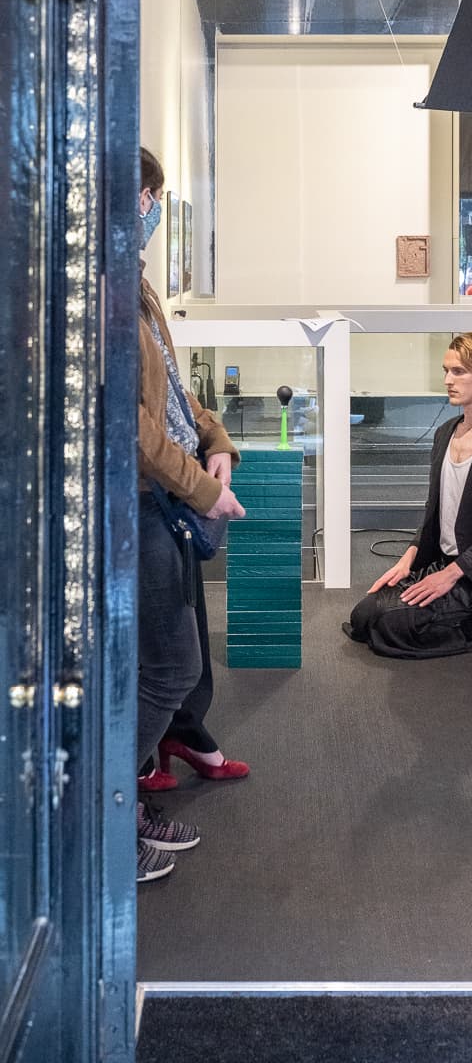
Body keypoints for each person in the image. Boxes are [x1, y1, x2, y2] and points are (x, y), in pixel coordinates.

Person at [136, 148, 247, 881]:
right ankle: (110, 820)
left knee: (173, 659)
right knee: (170, 663)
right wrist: (208, 492)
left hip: (164, 501)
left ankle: (132, 798)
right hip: (136, 506)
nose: (151, 213)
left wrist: (218, 443)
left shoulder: (137, 290)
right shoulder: (97, 290)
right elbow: (136, 431)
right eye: (150, 198)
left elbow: (176, 394)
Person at [344, 332, 472, 658]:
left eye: (459, 371)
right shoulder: (444, 434)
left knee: (392, 626)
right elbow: (435, 510)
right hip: (441, 561)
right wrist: (409, 558)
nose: (448, 380)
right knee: (364, 615)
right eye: (446, 370)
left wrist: (451, 576)